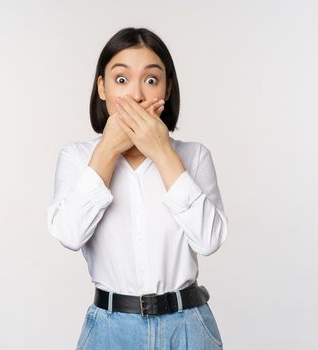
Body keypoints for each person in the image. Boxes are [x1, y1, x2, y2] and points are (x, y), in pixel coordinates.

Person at [46, 27, 229, 349]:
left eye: (150, 79)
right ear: (101, 88)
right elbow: (69, 235)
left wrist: (161, 151)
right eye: (121, 80)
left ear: (167, 89)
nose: (137, 95)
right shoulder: (76, 157)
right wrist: (107, 149)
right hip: (110, 329)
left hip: (187, 326)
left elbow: (209, 240)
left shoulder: (193, 155)